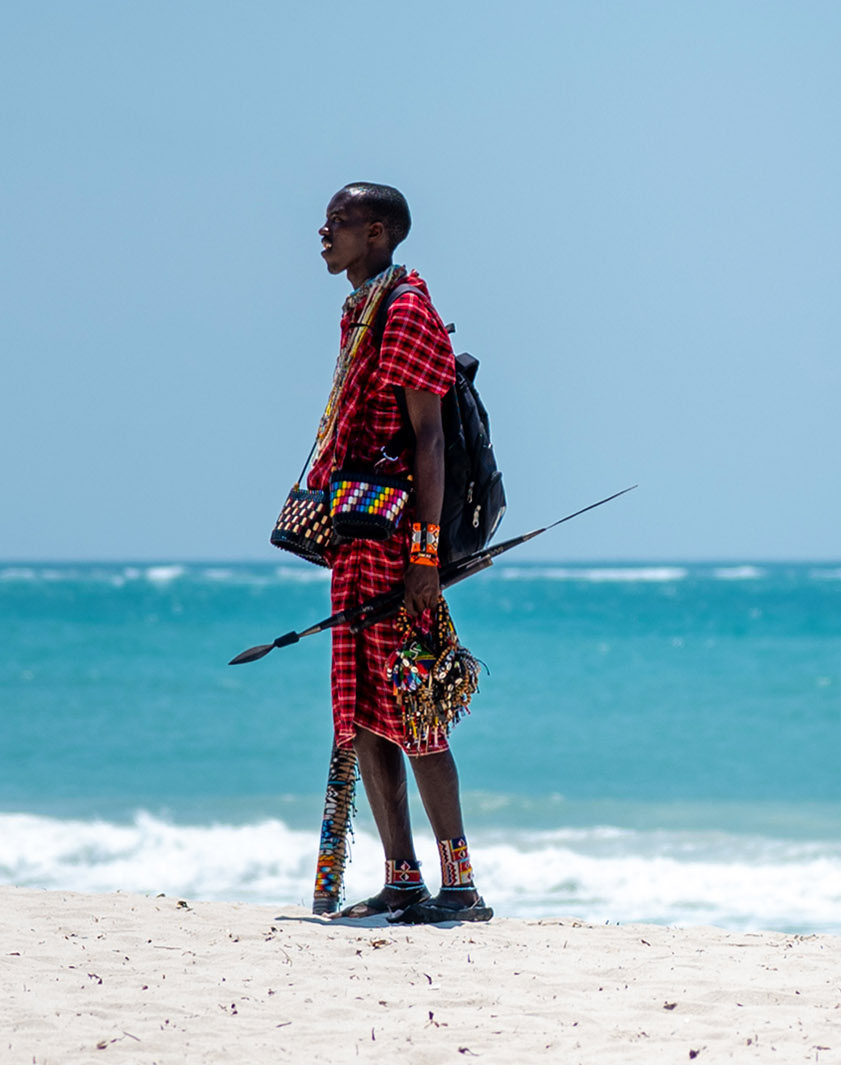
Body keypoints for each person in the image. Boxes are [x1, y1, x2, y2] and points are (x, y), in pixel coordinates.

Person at [310, 182, 491, 924]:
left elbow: (429, 438)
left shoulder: (406, 307)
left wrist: (422, 560)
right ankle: (403, 878)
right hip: (358, 543)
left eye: (339, 224)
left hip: (395, 547)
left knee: (416, 711)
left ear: (377, 233)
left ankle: (460, 886)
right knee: (362, 717)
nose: (322, 235)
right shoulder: (360, 307)